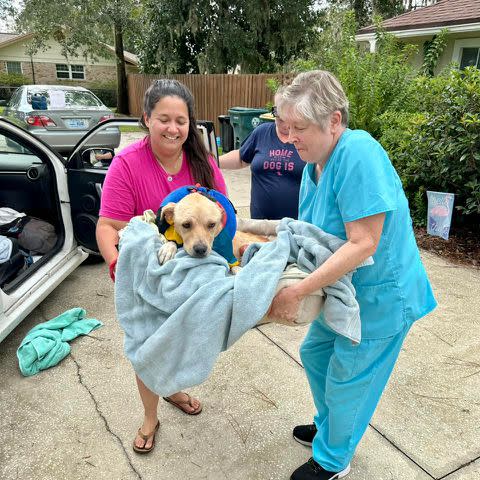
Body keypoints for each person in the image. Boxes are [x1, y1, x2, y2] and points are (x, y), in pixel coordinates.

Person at [268, 70, 437, 480]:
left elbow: (363, 243)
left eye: (300, 128)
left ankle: (333, 459)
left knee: (349, 376)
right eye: (284, 126)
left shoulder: (358, 153)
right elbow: (310, 233)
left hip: (381, 297)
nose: (290, 138)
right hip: (345, 293)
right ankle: (333, 429)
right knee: (315, 354)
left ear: (335, 120)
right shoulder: (315, 166)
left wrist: (299, 291)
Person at [96, 79, 228, 454]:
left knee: (181, 343)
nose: (173, 129)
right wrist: (118, 266)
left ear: (190, 124)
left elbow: (223, 218)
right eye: (164, 119)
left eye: (181, 121)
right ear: (146, 119)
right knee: (145, 347)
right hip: (146, 276)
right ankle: (150, 416)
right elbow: (107, 227)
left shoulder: (202, 163)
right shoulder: (127, 165)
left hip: (191, 277)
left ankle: (170, 389)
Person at [218, 95, 305, 220]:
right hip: (260, 224)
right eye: (278, 116)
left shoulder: (304, 138)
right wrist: (213, 161)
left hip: (296, 226)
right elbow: (241, 157)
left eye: (286, 118)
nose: (283, 123)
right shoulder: (261, 132)